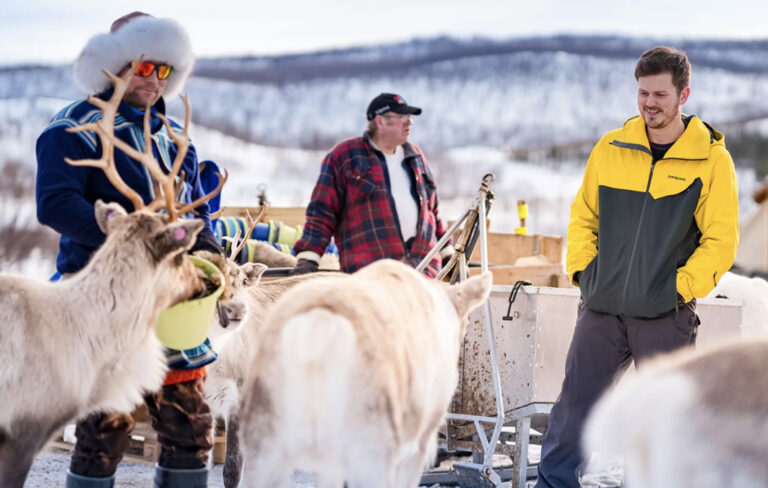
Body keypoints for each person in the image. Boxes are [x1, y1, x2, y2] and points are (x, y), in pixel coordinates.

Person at [535, 46, 739, 488]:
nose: (649, 103)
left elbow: (721, 240)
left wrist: (677, 289)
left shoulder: (711, 159)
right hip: (601, 309)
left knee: (664, 423)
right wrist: (585, 275)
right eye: (643, 93)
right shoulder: (611, 148)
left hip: (665, 315)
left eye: (660, 95)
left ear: (684, 95)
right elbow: (582, 217)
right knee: (574, 411)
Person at [36, 12, 222, 488]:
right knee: (104, 430)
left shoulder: (174, 139)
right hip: (105, 299)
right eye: (143, 67)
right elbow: (54, 204)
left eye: (164, 70)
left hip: (172, 300)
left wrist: (210, 249)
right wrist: (129, 242)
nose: (153, 80)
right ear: (113, 67)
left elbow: (189, 210)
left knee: (190, 424)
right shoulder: (72, 128)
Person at [292, 93, 452, 277]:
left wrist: (448, 254)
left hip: (424, 274)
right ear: (380, 121)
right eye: (402, 117)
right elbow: (322, 213)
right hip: (371, 278)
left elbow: (433, 213)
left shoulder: (415, 157)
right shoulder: (345, 157)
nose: (409, 123)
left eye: (410, 118)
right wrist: (308, 259)